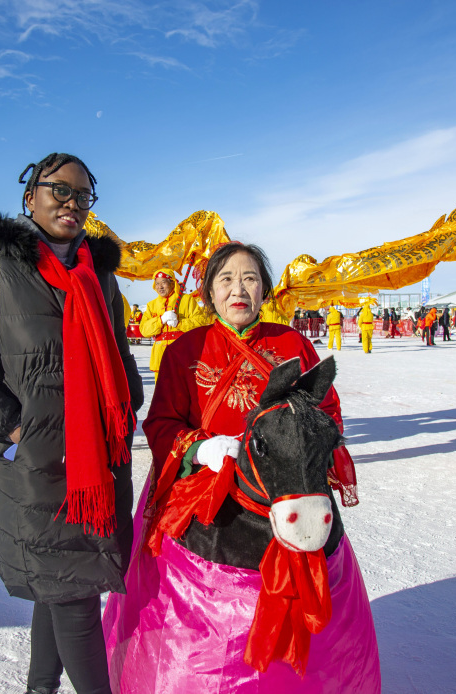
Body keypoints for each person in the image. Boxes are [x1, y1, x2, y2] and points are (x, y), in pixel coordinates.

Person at [104, 242, 375, 691]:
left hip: (283, 492)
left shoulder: (292, 344)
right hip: (205, 495)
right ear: (209, 292)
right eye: (226, 279)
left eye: (250, 278)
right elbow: (162, 423)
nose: (238, 289)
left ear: (264, 289)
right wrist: (201, 449)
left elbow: (325, 411)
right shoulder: (184, 350)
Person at [0, 152, 143, 694]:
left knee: (65, 584)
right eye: (59, 190)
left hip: (98, 460)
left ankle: (39, 687)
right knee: (74, 598)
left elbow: (120, 356)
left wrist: (125, 411)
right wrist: (15, 432)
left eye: (82, 195)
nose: (72, 203)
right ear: (31, 198)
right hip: (34, 467)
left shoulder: (99, 276)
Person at [139, 270, 203, 378]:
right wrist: (160, 320)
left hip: (182, 353)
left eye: (163, 282)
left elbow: (201, 322)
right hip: (160, 357)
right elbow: (144, 330)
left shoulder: (186, 300)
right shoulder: (151, 305)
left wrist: (179, 323)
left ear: (172, 283)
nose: (160, 287)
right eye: (157, 283)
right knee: (161, 388)